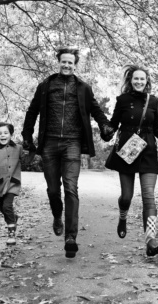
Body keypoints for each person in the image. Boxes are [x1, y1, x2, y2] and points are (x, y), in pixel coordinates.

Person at [21, 47, 114, 258]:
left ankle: (71, 237)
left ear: (75, 65)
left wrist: (105, 126)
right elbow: (32, 111)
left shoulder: (83, 88)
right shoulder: (46, 85)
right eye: (64, 62)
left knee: (71, 188)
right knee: (54, 190)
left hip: (73, 142)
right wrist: (27, 135)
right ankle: (57, 215)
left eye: (71, 63)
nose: (67, 65)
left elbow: (96, 110)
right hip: (49, 143)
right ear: (59, 62)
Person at [105, 65, 158, 257]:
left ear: (147, 81)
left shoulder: (154, 101)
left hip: (147, 151)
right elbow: (113, 124)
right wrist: (106, 130)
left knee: (149, 196)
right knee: (127, 196)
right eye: (136, 79)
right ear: (130, 80)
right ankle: (123, 217)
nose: (139, 82)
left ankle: (150, 241)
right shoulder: (122, 100)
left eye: (142, 79)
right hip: (128, 151)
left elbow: (157, 129)